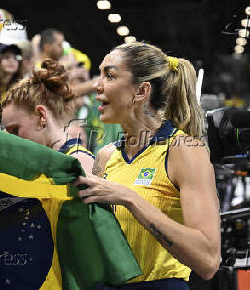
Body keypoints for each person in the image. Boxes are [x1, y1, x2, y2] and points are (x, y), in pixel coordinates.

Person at [74, 42, 221, 288]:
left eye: (109, 75)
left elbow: (207, 260)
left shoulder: (185, 151)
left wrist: (130, 199)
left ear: (141, 91)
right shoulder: (106, 156)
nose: (96, 85)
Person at [1, 59, 94, 176]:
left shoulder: (78, 162)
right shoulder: (40, 160)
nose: (12, 139)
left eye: (15, 130)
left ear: (41, 116)